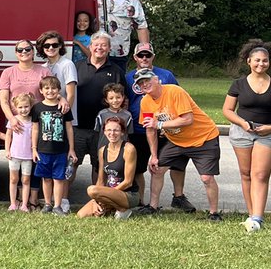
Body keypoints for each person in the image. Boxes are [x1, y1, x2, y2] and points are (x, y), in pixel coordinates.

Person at [222, 39, 271, 232]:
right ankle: (251, 215)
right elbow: (228, 110)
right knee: (246, 174)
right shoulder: (238, 84)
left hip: (268, 134)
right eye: (257, 60)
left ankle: (258, 218)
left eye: (265, 61)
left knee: (260, 174)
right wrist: (242, 123)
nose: (261, 64)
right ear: (249, 61)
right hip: (242, 132)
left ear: (270, 62)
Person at [137, 68, 224, 221]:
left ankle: (214, 214)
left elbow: (187, 119)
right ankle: (153, 206)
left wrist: (159, 124)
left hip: (204, 138)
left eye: (147, 80)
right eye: (141, 83)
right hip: (177, 141)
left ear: (156, 79)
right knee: (156, 169)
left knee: (206, 178)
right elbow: (150, 129)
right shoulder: (145, 102)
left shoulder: (175, 92)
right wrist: (154, 155)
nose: (145, 85)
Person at [125, 45, 191, 216]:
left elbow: (177, 98)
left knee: (176, 164)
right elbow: (124, 100)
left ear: (153, 56)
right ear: (135, 57)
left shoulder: (166, 75)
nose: (144, 58)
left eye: (148, 55)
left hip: (166, 130)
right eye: (141, 55)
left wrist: (167, 125)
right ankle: (141, 201)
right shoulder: (128, 77)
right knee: (139, 168)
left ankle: (178, 196)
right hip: (139, 128)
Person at [72, 31, 124, 186]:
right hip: (78, 127)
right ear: (90, 46)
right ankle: (63, 201)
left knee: (100, 166)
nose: (99, 48)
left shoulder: (116, 71)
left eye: (103, 45)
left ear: (109, 48)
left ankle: (97, 202)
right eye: (96, 45)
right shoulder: (77, 67)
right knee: (72, 164)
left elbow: (123, 100)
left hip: (103, 129)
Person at [76, 117, 139, 218]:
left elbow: (128, 182)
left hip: (128, 194)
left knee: (92, 190)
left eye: (116, 130)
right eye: (109, 130)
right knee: (81, 215)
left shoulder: (129, 149)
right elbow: (101, 180)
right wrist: (96, 200)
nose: (112, 133)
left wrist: (103, 197)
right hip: (107, 194)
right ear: (104, 132)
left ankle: (121, 209)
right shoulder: (102, 150)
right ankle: (112, 209)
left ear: (122, 132)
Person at [32, 75, 76, 216]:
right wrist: (34, 149)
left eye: (53, 88)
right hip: (43, 150)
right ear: (41, 90)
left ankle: (57, 205)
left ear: (59, 90)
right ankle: (47, 204)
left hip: (61, 151)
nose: (50, 91)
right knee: (46, 178)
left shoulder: (63, 108)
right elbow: (35, 129)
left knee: (59, 179)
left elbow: (69, 128)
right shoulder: (37, 108)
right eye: (47, 88)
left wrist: (71, 149)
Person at [100, 0, 149, 70]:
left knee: (118, 85)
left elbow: (141, 27)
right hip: (96, 52)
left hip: (119, 54)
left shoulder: (132, 0)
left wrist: (144, 53)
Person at [0, 39, 45, 131]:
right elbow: (4, 100)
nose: (24, 51)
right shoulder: (7, 72)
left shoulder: (44, 71)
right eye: (20, 50)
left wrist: (61, 99)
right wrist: (11, 119)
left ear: (33, 51)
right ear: (16, 53)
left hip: (38, 119)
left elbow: (52, 94)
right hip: (16, 120)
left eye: (27, 49)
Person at [4, 92, 36, 211]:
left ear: (30, 106)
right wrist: (7, 150)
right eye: (20, 107)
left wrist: (34, 151)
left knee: (26, 180)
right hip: (14, 155)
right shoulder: (14, 120)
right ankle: (13, 203)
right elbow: (8, 136)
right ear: (15, 108)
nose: (23, 110)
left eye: (26, 106)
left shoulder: (33, 121)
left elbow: (34, 137)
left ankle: (24, 204)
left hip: (27, 156)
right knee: (13, 179)